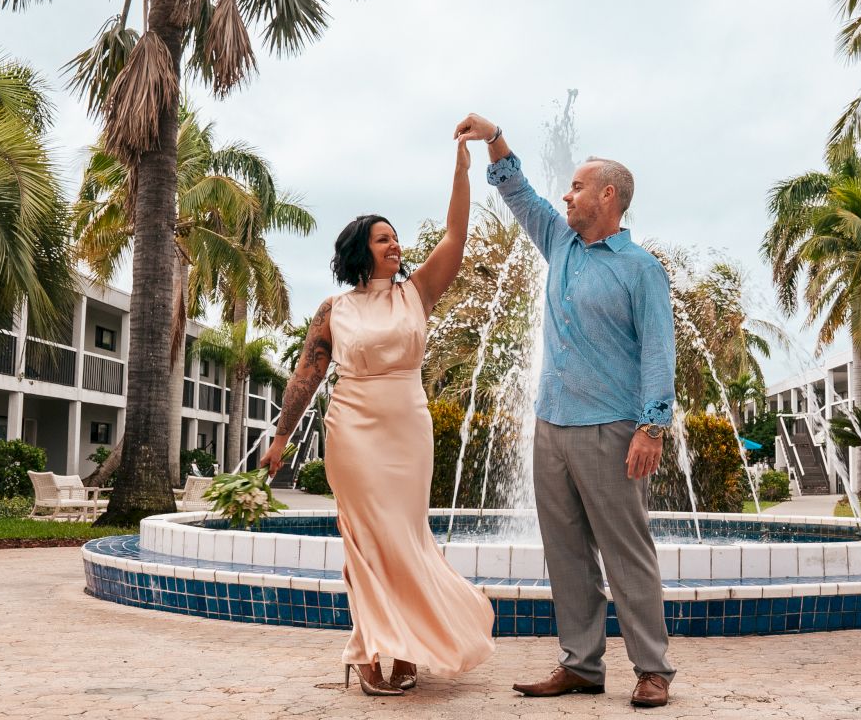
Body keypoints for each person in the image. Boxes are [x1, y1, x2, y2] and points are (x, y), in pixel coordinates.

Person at [454, 113, 677, 708]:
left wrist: (653, 425)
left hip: (612, 427)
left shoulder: (641, 269)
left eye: (577, 187)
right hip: (550, 425)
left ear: (608, 195)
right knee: (566, 553)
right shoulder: (559, 242)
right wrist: (495, 138)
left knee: (626, 552)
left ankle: (652, 669)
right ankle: (581, 664)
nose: (565, 194)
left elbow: (659, 351)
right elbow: (519, 194)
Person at [260, 140, 494, 696]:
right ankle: (370, 648)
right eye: (383, 238)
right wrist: (282, 438)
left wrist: (461, 172)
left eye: (395, 238)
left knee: (406, 538)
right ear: (361, 251)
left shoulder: (417, 293)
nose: (395, 245)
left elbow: (454, 239)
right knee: (366, 542)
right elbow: (306, 376)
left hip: (408, 427)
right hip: (353, 429)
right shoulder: (333, 311)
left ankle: (407, 641)